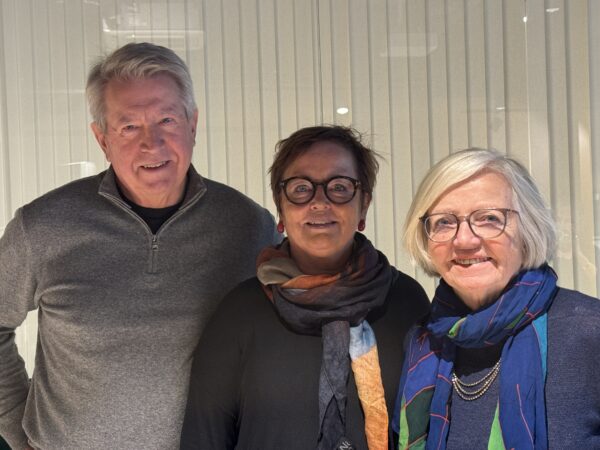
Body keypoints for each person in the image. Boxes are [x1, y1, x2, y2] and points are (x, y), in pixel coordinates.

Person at [0, 42, 279, 449]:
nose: (152, 143)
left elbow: (282, 342)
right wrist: (17, 427)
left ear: (193, 125)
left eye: (167, 119)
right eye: (129, 127)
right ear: (102, 139)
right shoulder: (42, 227)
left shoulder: (249, 226)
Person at [179, 125, 430, 450]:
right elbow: (203, 439)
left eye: (339, 187)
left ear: (364, 205)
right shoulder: (239, 313)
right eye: (301, 189)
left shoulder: (406, 302)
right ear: (280, 209)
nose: (319, 202)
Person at [393, 148, 600, 449]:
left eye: (489, 218)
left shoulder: (588, 331)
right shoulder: (423, 341)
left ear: (528, 228)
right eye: (444, 222)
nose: (464, 240)